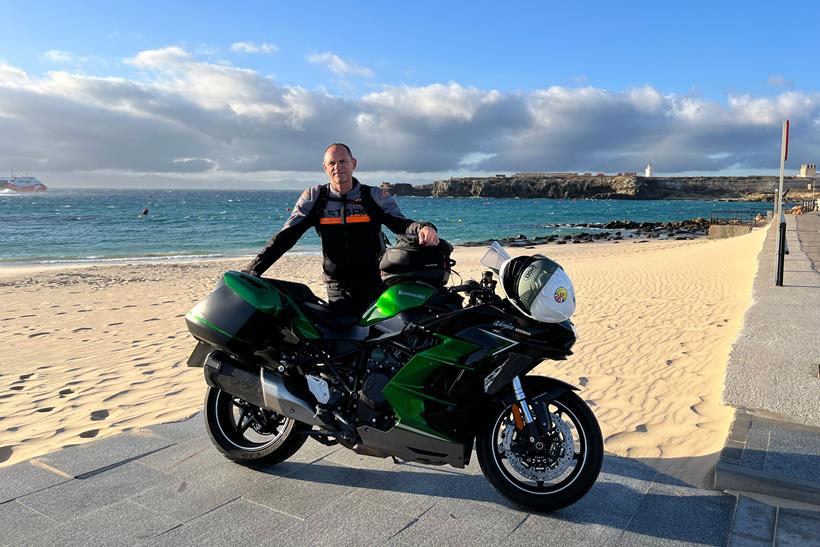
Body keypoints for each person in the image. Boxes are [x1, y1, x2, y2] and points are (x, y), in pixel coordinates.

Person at [243, 143, 439, 315]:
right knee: (343, 342)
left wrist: (424, 227)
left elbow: (400, 224)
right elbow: (286, 237)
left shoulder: (374, 196)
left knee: (379, 338)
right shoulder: (315, 198)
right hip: (338, 286)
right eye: (332, 163)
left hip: (374, 281)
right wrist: (253, 269)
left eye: (343, 161)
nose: (338, 167)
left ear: (354, 163)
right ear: (325, 168)